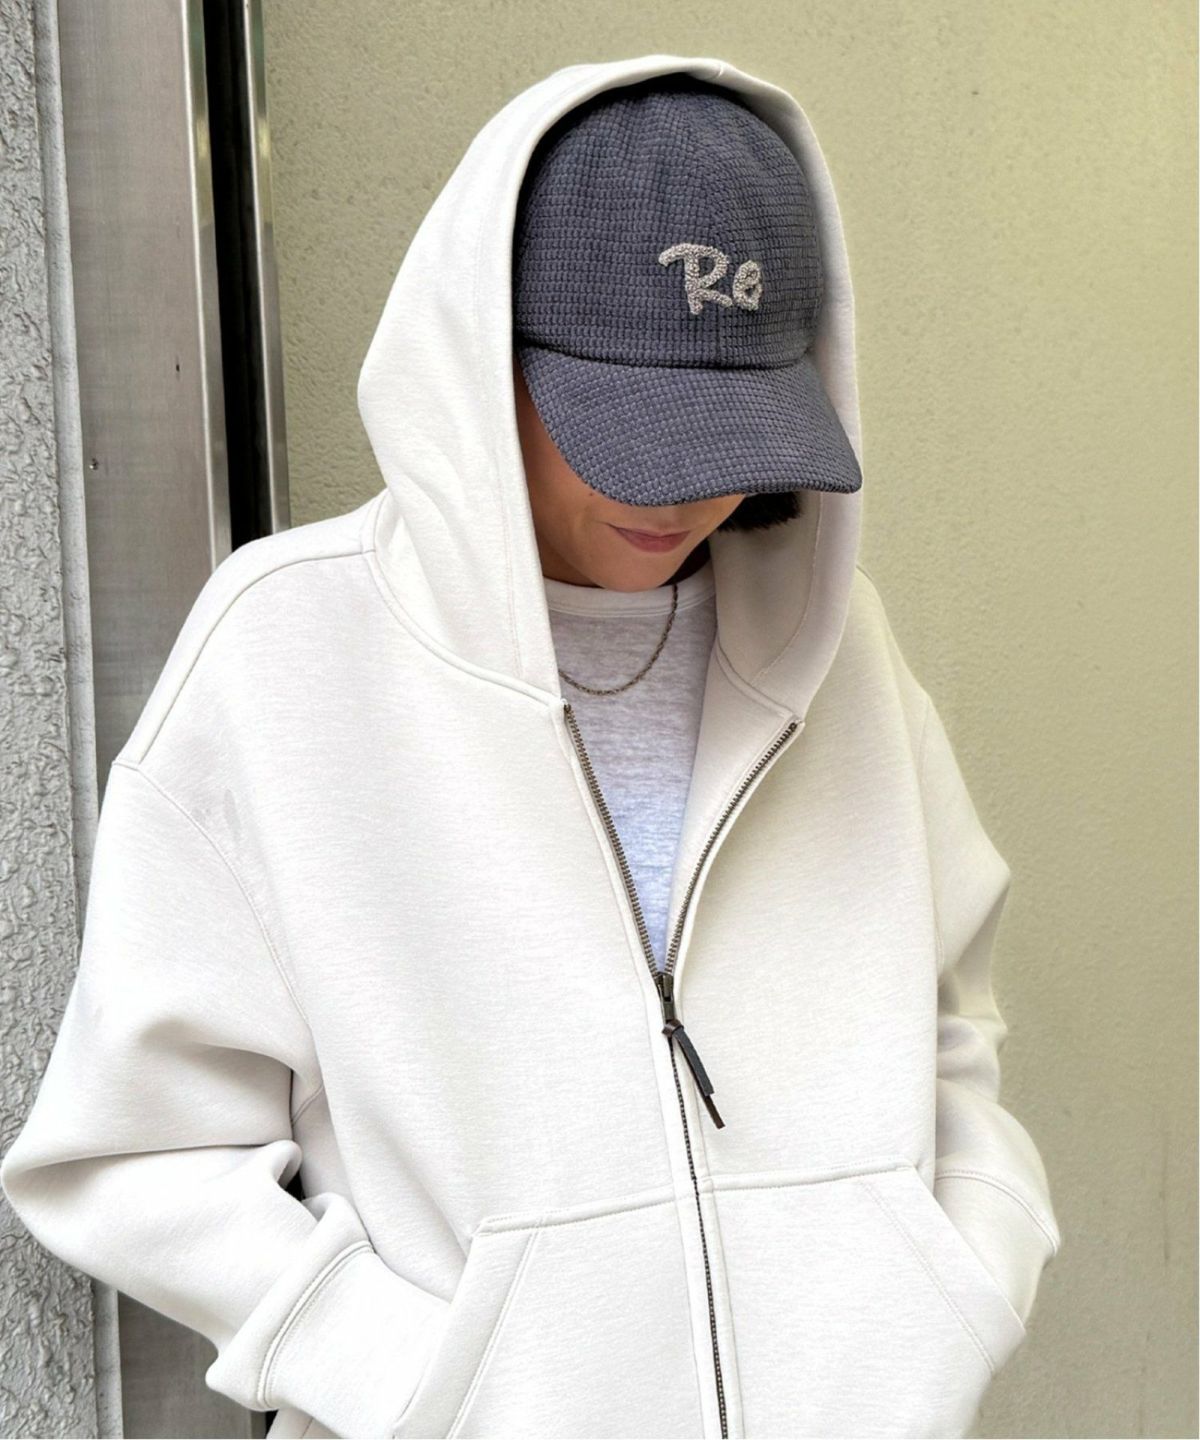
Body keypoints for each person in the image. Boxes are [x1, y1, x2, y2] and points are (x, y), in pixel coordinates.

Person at [0, 55, 1062, 1440]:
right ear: (474, 360)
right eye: (620, 423)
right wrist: (424, 1386)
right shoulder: (288, 653)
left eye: (728, 428)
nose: (681, 488)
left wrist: (957, 1289)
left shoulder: (840, 644)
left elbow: (950, 1026)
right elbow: (137, 1147)